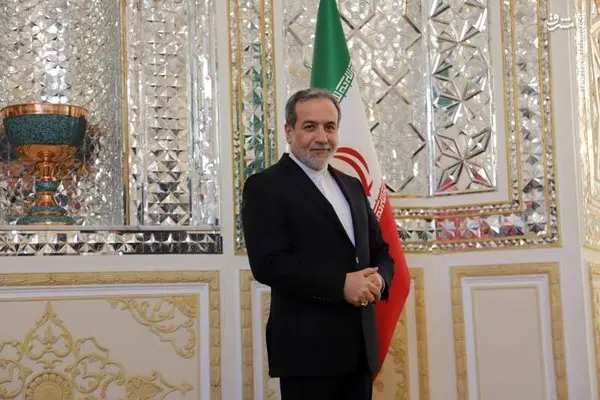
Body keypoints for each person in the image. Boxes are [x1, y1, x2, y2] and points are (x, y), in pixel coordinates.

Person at [241, 88, 394, 400]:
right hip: (307, 354)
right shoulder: (265, 186)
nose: (322, 137)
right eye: (310, 127)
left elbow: (380, 252)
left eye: (330, 127)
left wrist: (379, 280)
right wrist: (341, 284)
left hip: (360, 349)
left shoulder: (352, 185)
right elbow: (268, 264)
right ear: (289, 131)